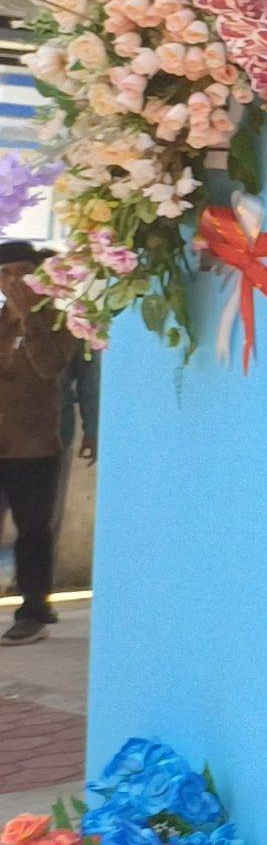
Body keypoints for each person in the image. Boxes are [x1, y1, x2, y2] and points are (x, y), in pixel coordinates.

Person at [0, 241, 92, 647]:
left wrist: (28, 319)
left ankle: (34, 608)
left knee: (34, 529)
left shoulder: (60, 320)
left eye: (22, 272)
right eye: (4, 275)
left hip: (36, 444)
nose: (13, 281)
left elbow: (50, 367)